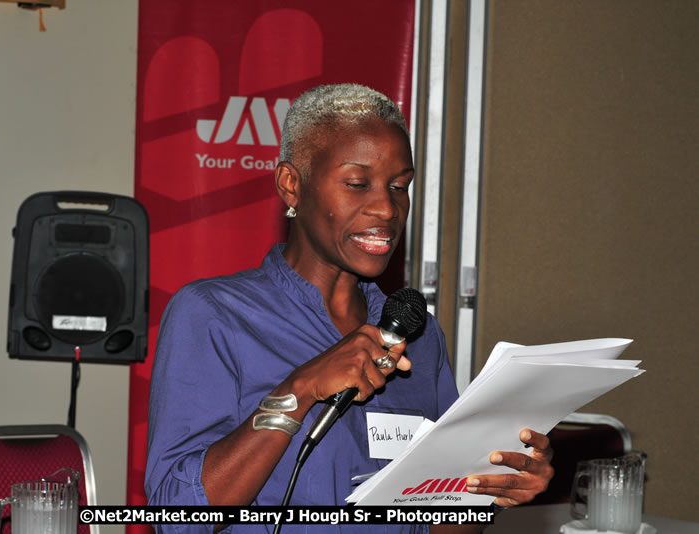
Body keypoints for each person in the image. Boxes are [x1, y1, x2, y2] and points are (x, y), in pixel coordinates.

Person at [145, 83, 553, 532]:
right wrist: (300, 391)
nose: (387, 208)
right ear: (292, 185)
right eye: (358, 183)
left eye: (400, 186)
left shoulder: (418, 333)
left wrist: (491, 489)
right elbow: (175, 518)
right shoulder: (214, 315)